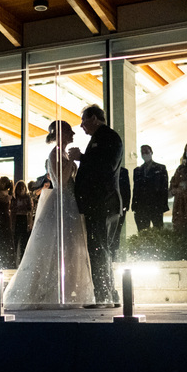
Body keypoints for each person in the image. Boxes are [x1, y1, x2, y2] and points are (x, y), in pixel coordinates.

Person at [4, 121, 95, 310]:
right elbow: (60, 181)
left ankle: (67, 290)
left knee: (69, 249)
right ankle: (47, 292)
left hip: (70, 203)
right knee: (54, 247)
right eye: (69, 131)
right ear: (60, 133)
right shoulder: (55, 153)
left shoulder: (63, 153)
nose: (73, 134)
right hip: (60, 202)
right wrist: (72, 160)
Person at [69, 104, 123, 308]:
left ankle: (103, 296)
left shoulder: (109, 137)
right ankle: (110, 294)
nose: (81, 126)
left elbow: (105, 166)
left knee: (100, 249)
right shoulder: (99, 138)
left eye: (83, 120)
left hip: (103, 203)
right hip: (98, 204)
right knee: (101, 249)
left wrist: (81, 157)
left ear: (94, 118)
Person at [131, 144, 169, 230]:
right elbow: (135, 189)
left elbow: (164, 188)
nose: (144, 154)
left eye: (146, 152)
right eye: (142, 152)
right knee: (143, 232)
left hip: (156, 205)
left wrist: (163, 205)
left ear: (151, 152)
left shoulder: (161, 168)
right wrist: (134, 205)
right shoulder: (137, 171)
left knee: (158, 230)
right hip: (141, 206)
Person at [0, 176, 15, 268]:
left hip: (3, 219)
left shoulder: (6, 195)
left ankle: (6, 261)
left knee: (4, 240)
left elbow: (1, 199)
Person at [11, 180, 34, 266]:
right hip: (17, 219)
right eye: (19, 188)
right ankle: (14, 261)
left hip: (24, 219)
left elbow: (30, 211)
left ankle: (23, 261)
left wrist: (29, 223)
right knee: (16, 241)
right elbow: (13, 210)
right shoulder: (14, 199)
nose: (21, 190)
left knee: (24, 242)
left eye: (22, 188)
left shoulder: (27, 198)